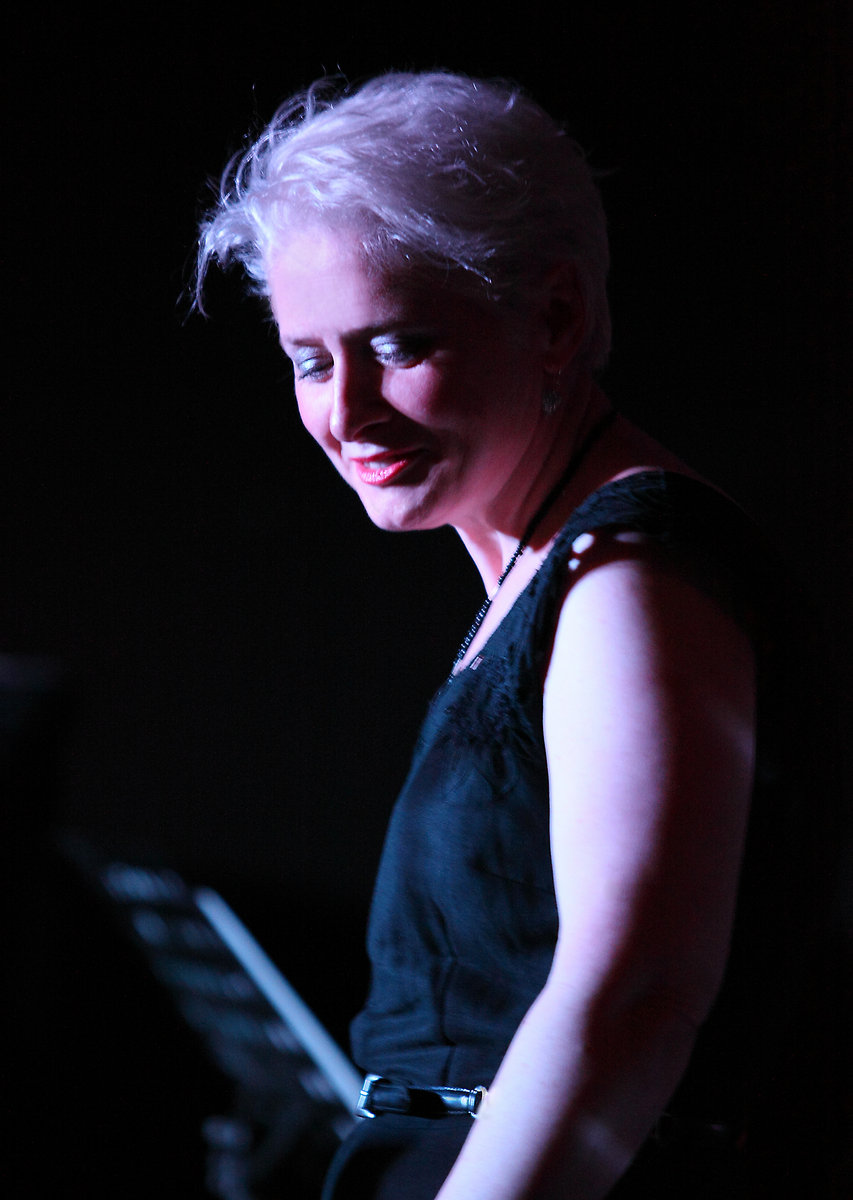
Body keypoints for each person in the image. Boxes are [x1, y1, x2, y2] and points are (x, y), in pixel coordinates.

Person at [196, 71, 838, 1199]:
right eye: (311, 360)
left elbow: (635, 1000)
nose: (345, 412)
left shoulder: (631, 574)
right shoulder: (560, 570)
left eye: (398, 345)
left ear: (554, 319)